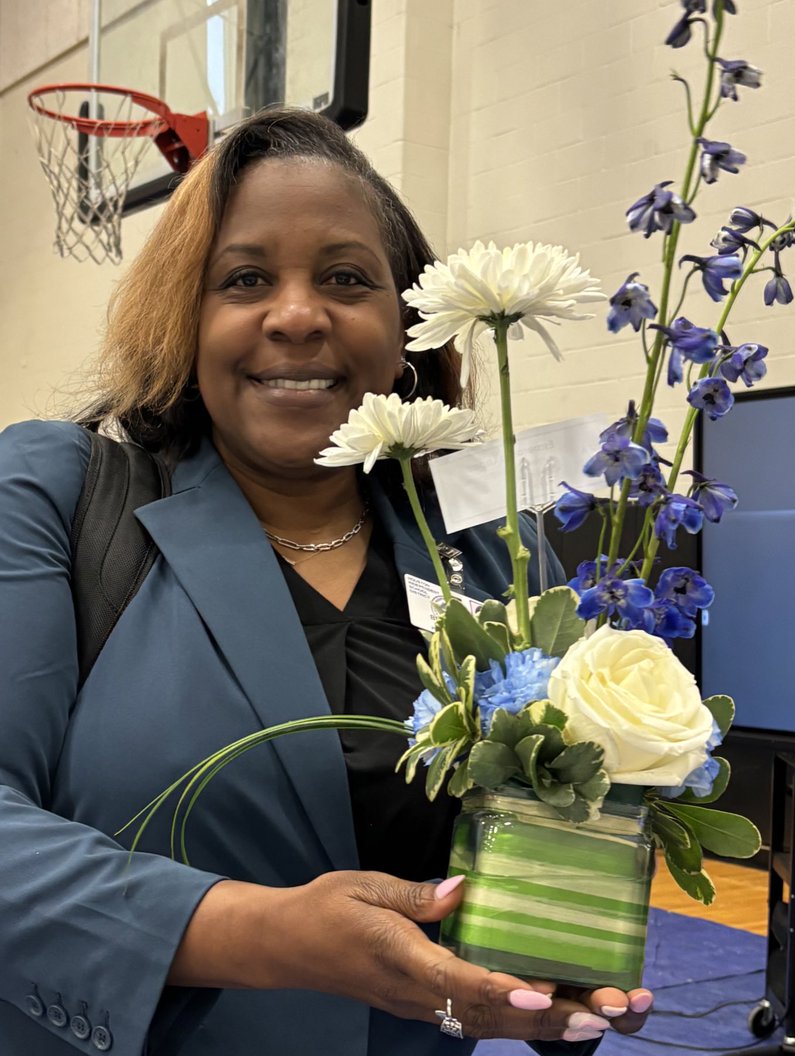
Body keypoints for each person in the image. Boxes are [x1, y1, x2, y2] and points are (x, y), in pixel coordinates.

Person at [0, 108, 653, 1055]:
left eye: (347, 278)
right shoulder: (57, 493)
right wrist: (261, 936)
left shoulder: (488, 546)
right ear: (187, 317)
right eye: (245, 278)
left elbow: (541, 826)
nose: (298, 313)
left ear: (404, 330)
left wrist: (550, 969)